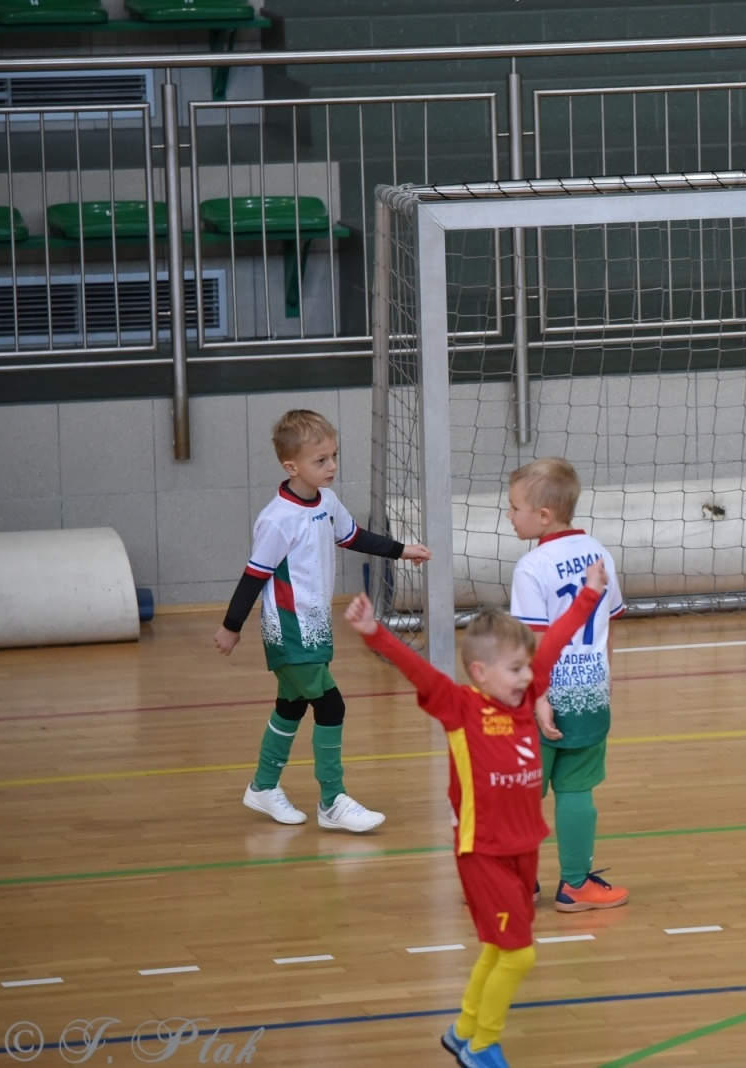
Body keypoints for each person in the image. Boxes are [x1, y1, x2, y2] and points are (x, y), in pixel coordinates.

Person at [344, 563, 606, 1068]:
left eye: (528, 669)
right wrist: (374, 632)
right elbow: (420, 671)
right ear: (481, 673)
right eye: (515, 669)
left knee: (497, 947)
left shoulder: (526, 696)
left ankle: (462, 1029)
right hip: (482, 852)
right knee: (520, 953)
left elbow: (553, 643)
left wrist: (589, 596)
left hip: (523, 847)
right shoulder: (459, 707)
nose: (528, 677)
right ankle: (482, 1045)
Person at [215, 409, 430, 831]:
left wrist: (402, 550)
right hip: (290, 629)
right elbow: (253, 576)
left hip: (316, 625)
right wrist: (231, 626)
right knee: (331, 705)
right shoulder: (278, 519)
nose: (331, 466)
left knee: (291, 706)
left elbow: (353, 536)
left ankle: (262, 786)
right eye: (321, 460)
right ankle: (332, 801)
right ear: (291, 466)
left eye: (334, 456)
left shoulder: (326, 502)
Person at [506, 457, 630, 912]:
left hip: (542, 699)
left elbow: (533, 644)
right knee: (577, 790)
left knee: (523, 795)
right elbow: (611, 624)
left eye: (514, 507)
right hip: (590, 693)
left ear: (542, 515)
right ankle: (576, 885)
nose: (509, 515)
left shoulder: (532, 567)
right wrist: (605, 677)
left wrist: (538, 698)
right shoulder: (600, 553)